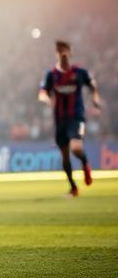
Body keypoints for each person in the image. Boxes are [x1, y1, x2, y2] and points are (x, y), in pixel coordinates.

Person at [38, 40, 100, 196]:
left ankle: (85, 163)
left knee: (76, 147)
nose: (63, 53)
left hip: (76, 117)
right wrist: (46, 99)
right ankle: (73, 187)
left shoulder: (79, 71)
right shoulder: (51, 74)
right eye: (60, 51)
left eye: (65, 50)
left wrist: (95, 97)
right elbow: (42, 92)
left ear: (70, 52)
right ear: (57, 53)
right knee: (64, 155)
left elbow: (92, 83)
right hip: (60, 120)